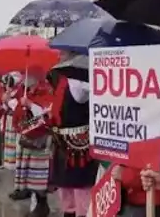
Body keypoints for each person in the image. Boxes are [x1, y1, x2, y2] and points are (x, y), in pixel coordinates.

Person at [48, 73, 98, 217]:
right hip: (62, 141)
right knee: (65, 186)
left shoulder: (80, 80)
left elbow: (83, 96)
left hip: (79, 144)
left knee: (80, 186)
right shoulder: (61, 80)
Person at [10, 72, 54, 217]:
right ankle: (38, 205)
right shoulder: (26, 92)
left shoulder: (46, 91)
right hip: (28, 139)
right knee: (31, 176)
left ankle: (42, 206)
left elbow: (45, 115)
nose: (23, 78)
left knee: (39, 176)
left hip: (40, 140)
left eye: (26, 74)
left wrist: (29, 104)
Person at [1, 74, 19, 170]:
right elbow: (5, 108)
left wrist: (8, 100)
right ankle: (7, 161)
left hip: (13, 119)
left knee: (12, 140)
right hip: (8, 118)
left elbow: (16, 106)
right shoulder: (7, 92)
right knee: (8, 140)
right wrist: (4, 101)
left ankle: (13, 162)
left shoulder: (18, 92)